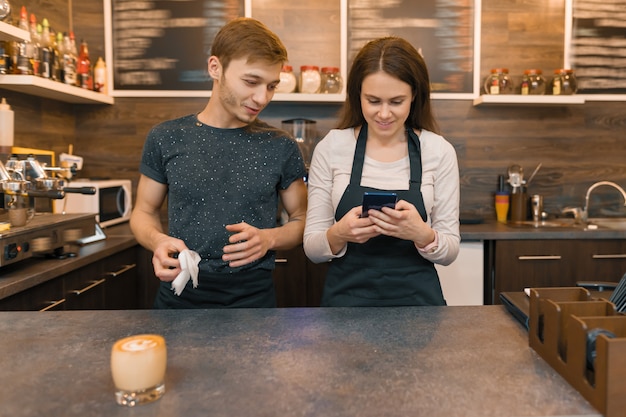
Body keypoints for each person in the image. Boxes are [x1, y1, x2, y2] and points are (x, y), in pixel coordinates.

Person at [130, 17, 308, 309]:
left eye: (271, 86)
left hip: (254, 301)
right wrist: (157, 241)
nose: (262, 97)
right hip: (180, 296)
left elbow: (301, 219)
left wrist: (270, 238)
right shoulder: (166, 137)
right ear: (215, 68)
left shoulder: (281, 145)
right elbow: (143, 212)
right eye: (251, 82)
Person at [303, 36, 460, 307]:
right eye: (373, 101)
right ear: (357, 95)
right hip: (345, 307)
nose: (384, 114)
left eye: (396, 101)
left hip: (418, 308)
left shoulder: (438, 150)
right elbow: (312, 249)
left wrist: (422, 234)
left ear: (414, 96)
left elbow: (449, 250)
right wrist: (341, 233)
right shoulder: (332, 147)